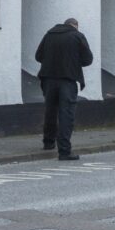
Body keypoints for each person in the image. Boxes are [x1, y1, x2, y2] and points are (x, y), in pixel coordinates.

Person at [35, 18, 93, 161]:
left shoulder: (49, 34)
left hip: (48, 79)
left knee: (50, 111)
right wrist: (73, 61)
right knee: (66, 115)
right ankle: (64, 151)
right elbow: (88, 59)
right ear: (75, 26)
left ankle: (48, 143)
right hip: (67, 80)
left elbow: (38, 56)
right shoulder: (77, 36)